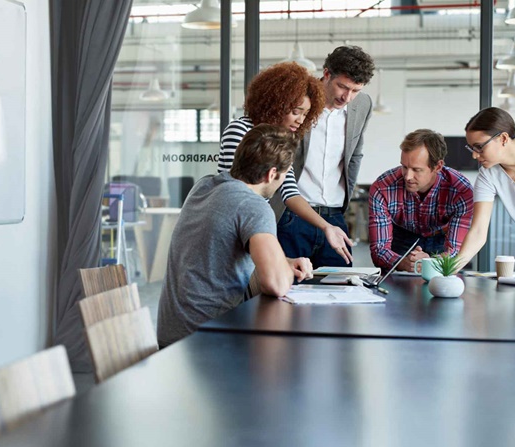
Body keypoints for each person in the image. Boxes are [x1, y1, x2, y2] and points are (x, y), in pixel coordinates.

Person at [158, 124, 313, 347]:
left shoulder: (204, 186)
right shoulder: (253, 206)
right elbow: (276, 284)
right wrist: (283, 269)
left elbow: (218, 251)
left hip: (171, 336)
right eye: (285, 175)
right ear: (271, 174)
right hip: (208, 340)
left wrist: (284, 262)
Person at [217, 62, 356, 264]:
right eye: (296, 111)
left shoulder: (282, 142)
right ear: (276, 103)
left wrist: (327, 227)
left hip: (256, 228)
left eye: (306, 114)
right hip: (236, 230)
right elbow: (231, 191)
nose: (301, 120)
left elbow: (290, 192)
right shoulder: (240, 130)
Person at [276, 46, 375, 268]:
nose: (347, 97)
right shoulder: (300, 101)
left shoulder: (363, 105)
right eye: (342, 86)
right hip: (292, 216)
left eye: (355, 90)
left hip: (335, 215)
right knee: (289, 292)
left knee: (340, 292)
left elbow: (355, 153)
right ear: (327, 74)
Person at [368, 129, 474, 272]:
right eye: (404, 167)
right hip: (401, 241)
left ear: (438, 166)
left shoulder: (461, 190)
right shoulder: (382, 188)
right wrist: (403, 263)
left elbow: (456, 252)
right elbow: (379, 250)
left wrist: (429, 263)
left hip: (442, 242)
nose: (407, 176)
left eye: (416, 170)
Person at [456, 107, 515, 270]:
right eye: (471, 148)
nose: (475, 155)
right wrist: (450, 269)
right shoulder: (488, 175)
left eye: (479, 147)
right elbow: (478, 232)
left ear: (503, 138)